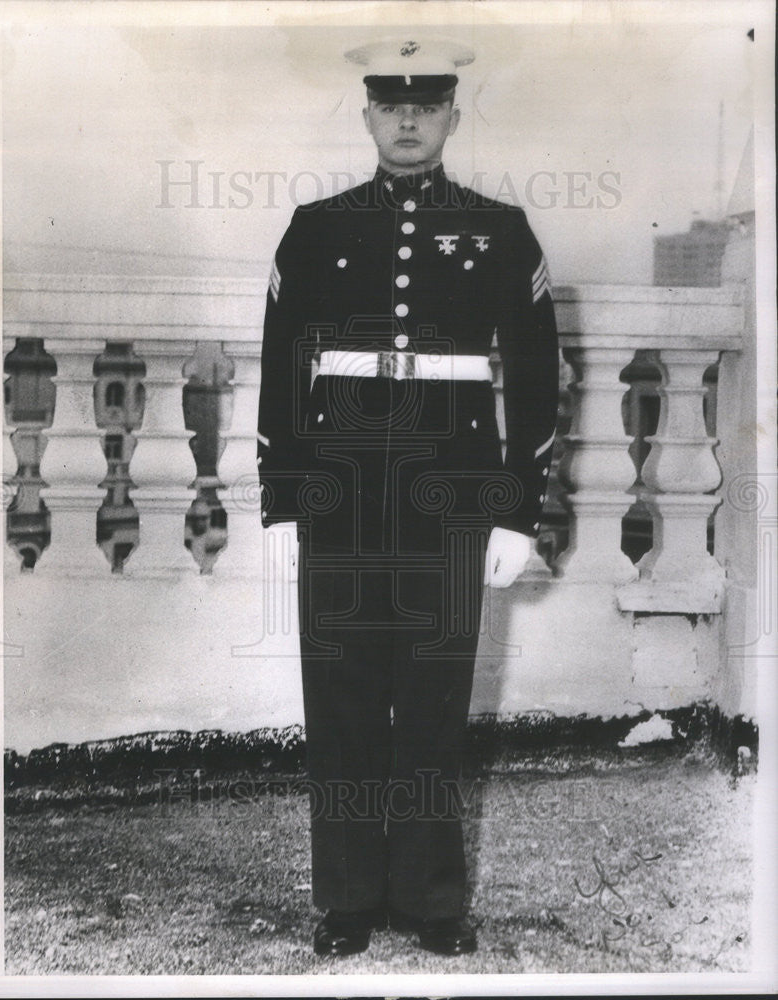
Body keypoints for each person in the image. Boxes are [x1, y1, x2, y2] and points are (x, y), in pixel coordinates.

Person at [256, 37, 559, 957]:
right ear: (368, 117)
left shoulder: (501, 231)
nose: (409, 121)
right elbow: (280, 370)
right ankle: (347, 900)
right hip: (343, 493)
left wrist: (517, 507)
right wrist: (282, 499)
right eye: (393, 106)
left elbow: (540, 376)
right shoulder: (316, 226)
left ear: (453, 118)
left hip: (451, 493)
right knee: (340, 693)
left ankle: (432, 901)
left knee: (433, 697)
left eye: (427, 106)